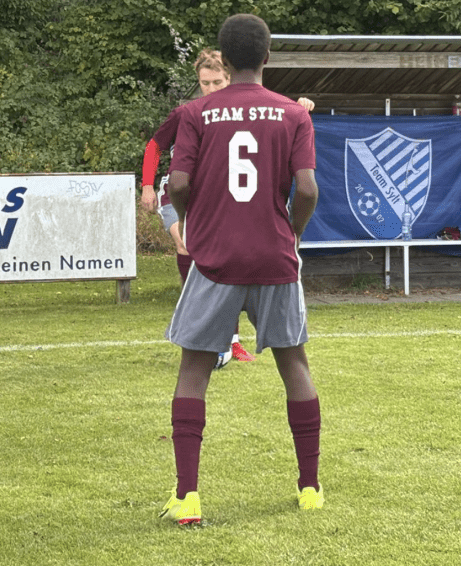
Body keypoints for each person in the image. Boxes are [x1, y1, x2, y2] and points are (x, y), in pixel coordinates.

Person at [159, 14, 322, 524]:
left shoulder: (195, 112)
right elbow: (308, 189)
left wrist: (192, 223)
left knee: (194, 369)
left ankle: (187, 497)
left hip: (215, 259)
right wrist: (293, 233)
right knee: (294, 365)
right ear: (267, 57)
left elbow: (178, 183)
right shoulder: (293, 114)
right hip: (274, 256)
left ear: (224, 61)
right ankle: (310, 486)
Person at [140, 49, 314, 367]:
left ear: (230, 77)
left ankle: (227, 339)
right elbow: (155, 146)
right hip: (179, 195)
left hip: (217, 200)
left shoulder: (239, 111)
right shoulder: (189, 113)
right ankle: (203, 330)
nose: (210, 89)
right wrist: (147, 185)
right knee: (185, 242)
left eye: (217, 82)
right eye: (204, 83)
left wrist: (299, 107)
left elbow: (272, 119)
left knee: (224, 257)